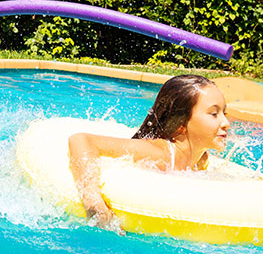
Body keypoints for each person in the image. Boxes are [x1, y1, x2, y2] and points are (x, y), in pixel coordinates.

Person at [67, 74, 231, 233]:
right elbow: (82, 141)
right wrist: (93, 202)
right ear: (181, 123)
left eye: (225, 113)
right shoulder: (159, 154)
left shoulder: (201, 159)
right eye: (214, 114)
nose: (226, 123)